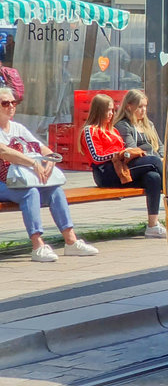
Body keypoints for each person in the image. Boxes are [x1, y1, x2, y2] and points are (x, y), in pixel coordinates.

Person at [0, 87, 99, 262]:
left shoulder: (18, 128)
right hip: (4, 182)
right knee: (30, 193)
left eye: (13, 103)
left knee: (55, 190)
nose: (11, 106)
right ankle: (37, 245)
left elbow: (43, 148)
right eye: (5, 103)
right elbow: (4, 151)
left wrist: (50, 161)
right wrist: (33, 163)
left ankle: (71, 241)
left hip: (21, 179)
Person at [80, 93, 165, 237]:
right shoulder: (90, 130)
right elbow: (96, 157)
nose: (111, 113)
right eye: (107, 110)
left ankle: (153, 225)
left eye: (113, 110)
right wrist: (119, 155)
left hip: (121, 169)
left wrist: (125, 154)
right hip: (105, 172)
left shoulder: (112, 130)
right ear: (98, 111)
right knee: (154, 161)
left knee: (153, 177)